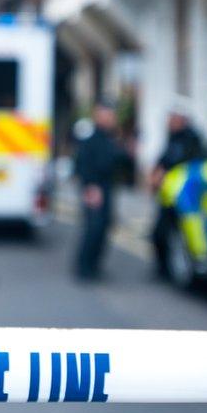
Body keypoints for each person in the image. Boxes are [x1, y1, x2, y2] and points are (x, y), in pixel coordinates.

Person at [73, 99, 130, 280]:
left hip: (106, 187)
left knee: (104, 227)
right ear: (98, 115)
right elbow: (82, 165)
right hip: (95, 189)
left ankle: (94, 266)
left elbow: (119, 161)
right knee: (93, 229)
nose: (111, 118)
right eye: (107, 114)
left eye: (112, 115)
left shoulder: (111, 138)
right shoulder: (90, 139)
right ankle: (84, 266)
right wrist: (90, 188)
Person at [150, 102, 204, 277]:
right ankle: (162, 270)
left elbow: (191, 165)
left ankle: (175, 270)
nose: (169, 122)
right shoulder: (172, 137)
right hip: (169, 196)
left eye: (172, 118)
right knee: (159, 234)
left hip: (185, 198)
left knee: (180, 236)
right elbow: (164, 159)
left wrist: (165, 175)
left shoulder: (193, 140)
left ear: (182, 119)